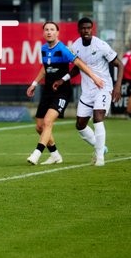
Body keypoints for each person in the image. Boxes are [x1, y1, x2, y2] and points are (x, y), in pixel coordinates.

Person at [25, 21, 105, 166]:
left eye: (52, 30)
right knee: (39, 126)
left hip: (62, 92)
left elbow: (80, 64)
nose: (49, 32)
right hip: (47, 91)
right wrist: (34, 83)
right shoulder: (43, 49)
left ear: (57, 33)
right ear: (44, 33)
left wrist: (95, 78)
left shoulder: (63, 49)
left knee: (48, 122)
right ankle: (55, 155)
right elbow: (45, 68)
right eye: (47, 30)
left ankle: (36, 154)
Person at [53, 18, 123, 167]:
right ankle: (101, 148)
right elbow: (77, 68)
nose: (86, 31)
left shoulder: (101, 45)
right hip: (87, 91)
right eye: (84, 28)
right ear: (79, 30)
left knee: (98, 118)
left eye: (89, 28)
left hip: (103, 88)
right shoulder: (75, 46)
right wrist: (63, 80)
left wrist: (118, 86)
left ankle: (99, 159)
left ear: (92, 29)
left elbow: (119, 64)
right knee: (80, 125)